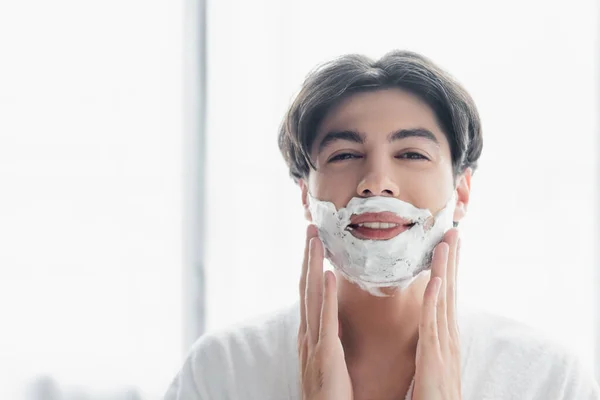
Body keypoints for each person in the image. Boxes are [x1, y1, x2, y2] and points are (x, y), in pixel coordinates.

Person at [164, 50, 600, 400]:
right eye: (344, 155)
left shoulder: (547, 379)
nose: (375, 183)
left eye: (411, 154)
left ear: (461, 193)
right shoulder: (221, 371)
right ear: (305, 195)